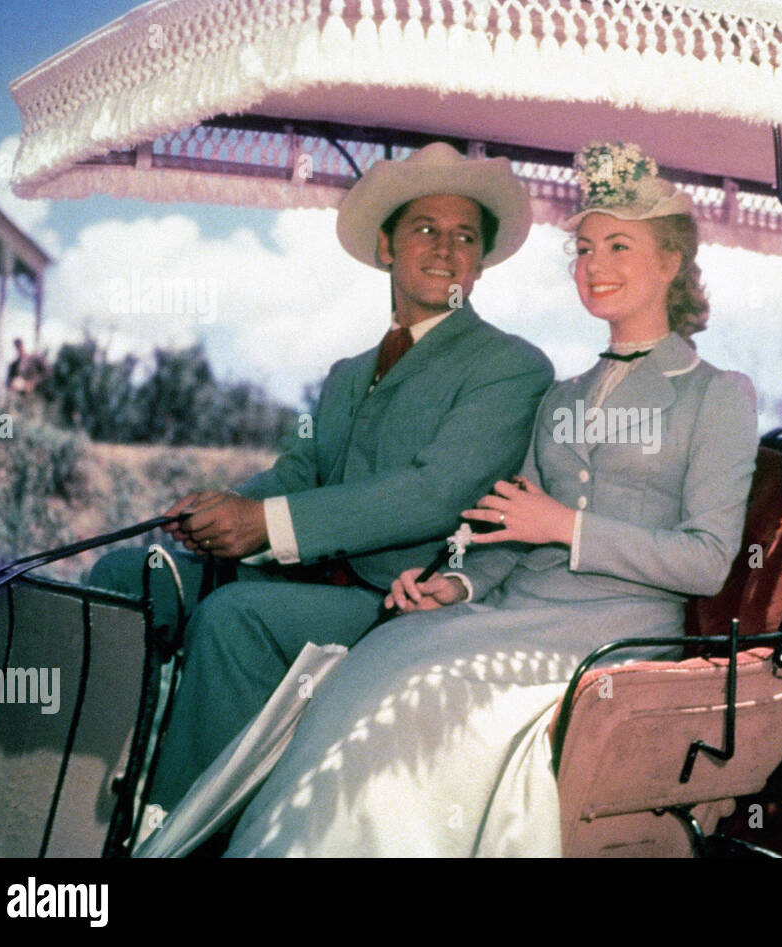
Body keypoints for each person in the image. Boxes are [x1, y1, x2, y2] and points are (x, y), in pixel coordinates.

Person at [224, 141, 759, 857]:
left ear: (670, 261)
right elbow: (512, 529)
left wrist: (566, 525)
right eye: (585, 247)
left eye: (619, 245)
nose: (594, 265)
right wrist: (458, 581)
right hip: (511, 610)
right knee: (374, 665)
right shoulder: (562, 394)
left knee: (427, 704)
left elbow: (709, 561)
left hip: (611, 630)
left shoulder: (715, 393)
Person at [89, 142, 554, 813]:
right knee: (126, 576)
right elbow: (300, 467)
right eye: (426, 228)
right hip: (307, 578)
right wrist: (224, 507)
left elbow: (435, 491)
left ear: (479, 264)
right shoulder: (346, 374)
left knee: (233, 617)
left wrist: (266, 524)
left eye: (464, 237)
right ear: (387, 246)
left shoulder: (511, 366)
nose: (445, 248)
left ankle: (187, 829)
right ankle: (81, 794)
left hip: (400, 602)